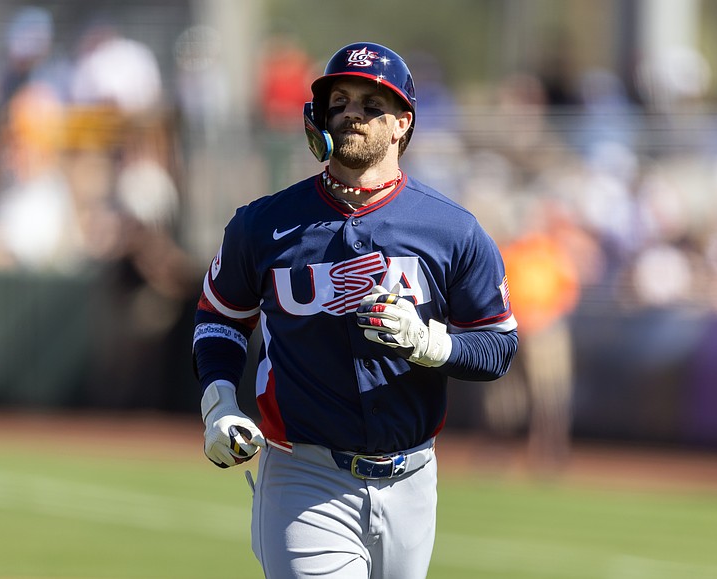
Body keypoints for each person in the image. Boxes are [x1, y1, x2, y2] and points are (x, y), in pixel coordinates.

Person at [191, 42, 518, 579]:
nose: (352, 112)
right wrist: (219, 401)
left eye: (371, 104)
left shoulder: (452, 229)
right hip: (305, 473)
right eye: (339, 100)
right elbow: (220, 316)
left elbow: (498, 346)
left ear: (401, 124)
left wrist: (432, 343)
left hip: (413, 476)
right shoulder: (263, 223)